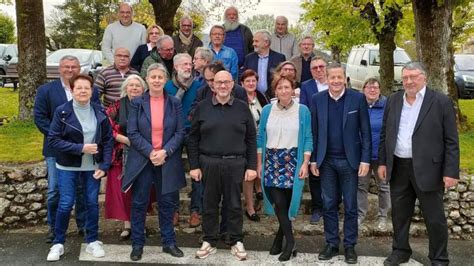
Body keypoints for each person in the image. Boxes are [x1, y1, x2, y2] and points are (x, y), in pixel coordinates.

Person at [378, 62, 459, 266]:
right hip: (398, 166)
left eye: (413, 76)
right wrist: (382, 162)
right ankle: (400, 251)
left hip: (429, 168)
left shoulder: (440, 101)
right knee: (399, 215)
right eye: (405, 77)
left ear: (424, 77)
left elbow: (451, 139)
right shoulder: (394, 100)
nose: (409, 81)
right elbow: (385, 133)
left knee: (434, 218)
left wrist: (450, 171)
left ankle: (439, 258)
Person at [188, 70, 257, 261]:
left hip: (236, 163)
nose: (223, 86)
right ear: (213, 85)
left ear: (233, 84)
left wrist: (251, 166)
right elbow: (192, 138)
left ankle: (235, 239)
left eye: (226, 82)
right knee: (209, 204)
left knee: (234, 204)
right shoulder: (202, 107)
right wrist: (194, 165)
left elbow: (251, 138)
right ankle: (209, 240)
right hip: (208, 163)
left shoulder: (243, 108)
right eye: (219, 83)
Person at [122, 63, 186, 261]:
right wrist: (151, 152)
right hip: (143, 159)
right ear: (147, 80)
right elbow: (132, 132)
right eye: (153, 77)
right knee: (139, 203)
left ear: (165, 80)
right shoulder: (137, 103)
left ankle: (168, 242)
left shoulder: (174, 103)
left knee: (167, 203)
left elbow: (180, 132)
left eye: (160, 77)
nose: (157, 80)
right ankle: (138, 244)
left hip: (167, 160)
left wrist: (165, 152)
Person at [46, 74, 114, 261]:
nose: (83, 91)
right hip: (67, 166)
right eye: (79, 88)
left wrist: (105, 165)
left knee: (91, 203)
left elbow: (108, 140)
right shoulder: (61, 112)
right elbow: (53, 140)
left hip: (92, 168)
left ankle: (92, 240)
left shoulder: (99, 111)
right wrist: (80, 148)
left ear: (92, 91)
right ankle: (58, 243)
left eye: (87, 88)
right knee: (66, 203)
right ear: (71, 90)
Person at [34, 55, 100, 244]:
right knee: (55, 191)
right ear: (59, 69)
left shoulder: (90, 91)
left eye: (74, 66)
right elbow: (40, 118)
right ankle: (54, 228)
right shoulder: (46, 91)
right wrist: (62, 139)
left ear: (79, 69)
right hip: (57, 151)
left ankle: (83, 226)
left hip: (85, 152)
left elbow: (96, 118)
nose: (70, 70)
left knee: (81, 191)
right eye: (66, 66)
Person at [310, 63, 371, 264]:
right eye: (332, 77)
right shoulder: (317, 99)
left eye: (339, 77)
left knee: (351, 205)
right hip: (326, 161)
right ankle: (332, 243)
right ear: (326, 79)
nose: (335, 81)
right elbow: (315, 132)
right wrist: (313, 160)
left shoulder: (357, 98)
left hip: (350, 161)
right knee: (328, 204)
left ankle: (350, 245)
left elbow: (366, 131)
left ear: (345, 78)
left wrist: (365, 159)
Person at [257, 75, 312, 261]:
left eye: (287, 87)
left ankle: (280, 238)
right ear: (275, 91)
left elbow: (307, 138)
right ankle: (290, 241)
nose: (283, 91)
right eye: (279, 88)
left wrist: (305, 162)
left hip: (292, 161)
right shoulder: (266, 110)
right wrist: (259, 163)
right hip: (271, 160)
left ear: (293, 89)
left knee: (286, 204)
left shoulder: (302, 110)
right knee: (278, 202)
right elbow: (260, 138)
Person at [104, 74, 146, 240]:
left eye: (138, 86)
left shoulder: (147, 105)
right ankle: (127, 225)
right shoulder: (116, 106)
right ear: (125, 88)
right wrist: (122, 138)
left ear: (143, 89)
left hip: (142, 153)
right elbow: (106, 126)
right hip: (121, 154)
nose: (134, 88)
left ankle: (139, 224)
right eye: (131, 85)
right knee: (124, 192)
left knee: (142, 191)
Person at [164, 53, 202, 227]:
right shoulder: (167, 87)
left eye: (190, 64)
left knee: (198, 171)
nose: (188, 67)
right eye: (184, 64)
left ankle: (196, 210)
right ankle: (173, 210)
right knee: (172, 171)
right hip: (173, 133)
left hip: (195, 132)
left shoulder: (199, 86)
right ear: (175, 67)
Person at [357, 77, 390, 229]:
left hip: (380, 154)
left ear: (379, 90)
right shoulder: (358, 105)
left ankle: (383, 216)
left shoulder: (387, 106)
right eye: (369, 87)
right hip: (363, 155)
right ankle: (360, 215)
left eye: (375, 87)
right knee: (361, 185)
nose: (372, 90)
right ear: (363, 90)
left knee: (383, 186)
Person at [240, 69, 269, 222]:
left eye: (253, 81)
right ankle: (249, 208)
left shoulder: (262, 97)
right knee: (249, 173)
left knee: (260, 167)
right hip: (245, 141)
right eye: (248, 81)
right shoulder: (239, 98)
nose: (251, 84)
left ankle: (259, 189)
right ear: (242, 84)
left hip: (262, 139)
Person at [243, 30, 286, 99]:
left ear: (266, 43)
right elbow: (244, 77)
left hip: (274, 97)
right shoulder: (249, 58)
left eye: (256, 41)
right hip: (254, 97)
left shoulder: (279, 58)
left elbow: (283, 78)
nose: (253, 44)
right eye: (253, 41)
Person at [222, 6, 253, 73]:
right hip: (223, 70)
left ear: (237, 17)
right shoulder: (219, 30)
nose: (232, 16)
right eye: (229, 14)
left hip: (242, 70)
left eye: (234, 14)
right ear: (225, 17)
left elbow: (252, 49)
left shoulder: (245, 30)